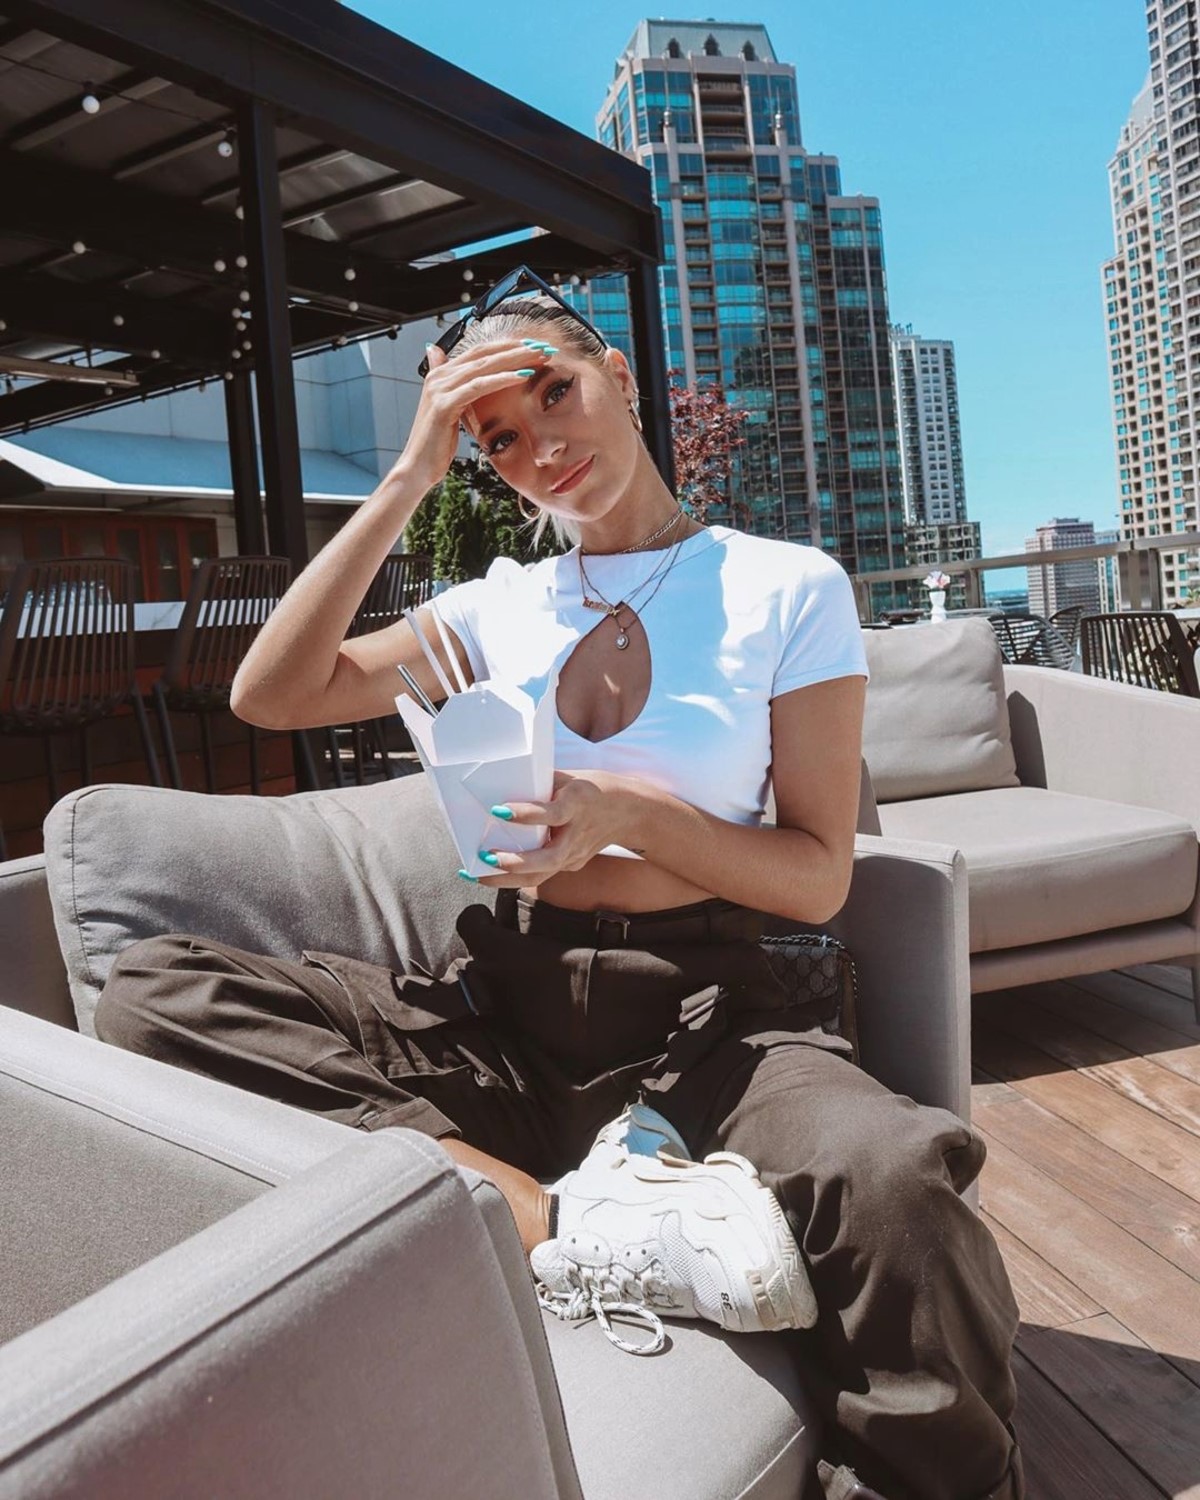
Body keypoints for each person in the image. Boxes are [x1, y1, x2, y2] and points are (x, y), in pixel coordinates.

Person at [95, 267, 1023, 1500]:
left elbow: (813, 877)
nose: (539, 448)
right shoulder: (496, 607)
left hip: (720, 1017)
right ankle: (557, 1222)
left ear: (618, 377)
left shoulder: (784, 586)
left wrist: (628, 816)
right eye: (495, 440)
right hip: (511, 1011)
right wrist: (407, 476)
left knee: (898, 1182)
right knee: (152, 996)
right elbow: (270, 694)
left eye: (552, 395)